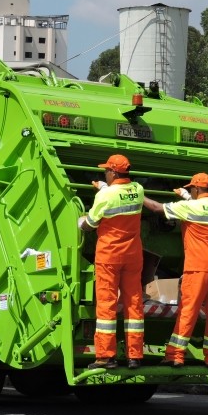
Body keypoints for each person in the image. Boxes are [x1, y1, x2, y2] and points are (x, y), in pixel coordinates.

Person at [142, 172, 208, 368]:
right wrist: (187, 197)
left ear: (197, 188)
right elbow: (202, 209)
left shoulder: (190, 207)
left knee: (188, 310)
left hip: (198, 266)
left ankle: (175, 355)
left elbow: (157, 208)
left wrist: (137, 193)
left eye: (191, 188)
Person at [78, 154, 145, 370]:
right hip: (133, 254)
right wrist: (105, 188)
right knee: (134, 303)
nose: (104, 173)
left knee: (107, 304)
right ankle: (135, 356)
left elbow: (91, 223)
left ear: (113, 172)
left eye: (106, 170)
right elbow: (122, 195)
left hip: (110, 255)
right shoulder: (138, 190)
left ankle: (106, 357)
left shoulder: (105, 197)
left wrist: (80, 223)